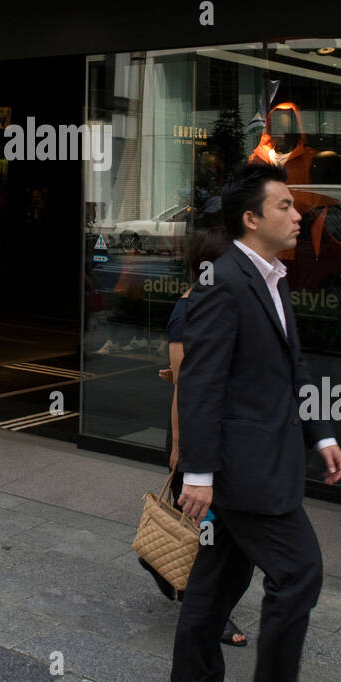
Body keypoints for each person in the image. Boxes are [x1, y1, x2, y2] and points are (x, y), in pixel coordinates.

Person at [168, 163, 341, 682]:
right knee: (299, 571)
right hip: (244, 471)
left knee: (217, 580)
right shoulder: (226, 281)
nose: (298, 215)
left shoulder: (271, 278)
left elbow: (290, 369)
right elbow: (200, 381)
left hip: (265, 456)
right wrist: (198, 474)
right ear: (251, 218)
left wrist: (320, 432)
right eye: (285, 206)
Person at [149, 226, 247, 647]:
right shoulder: (187, 312)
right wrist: (179, 448)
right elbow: (183, 389)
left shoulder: (226, 307)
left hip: (230, 439)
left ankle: (167, 570)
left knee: (218, 534)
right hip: (198, 442)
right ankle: (205, 611)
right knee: (203, 534)